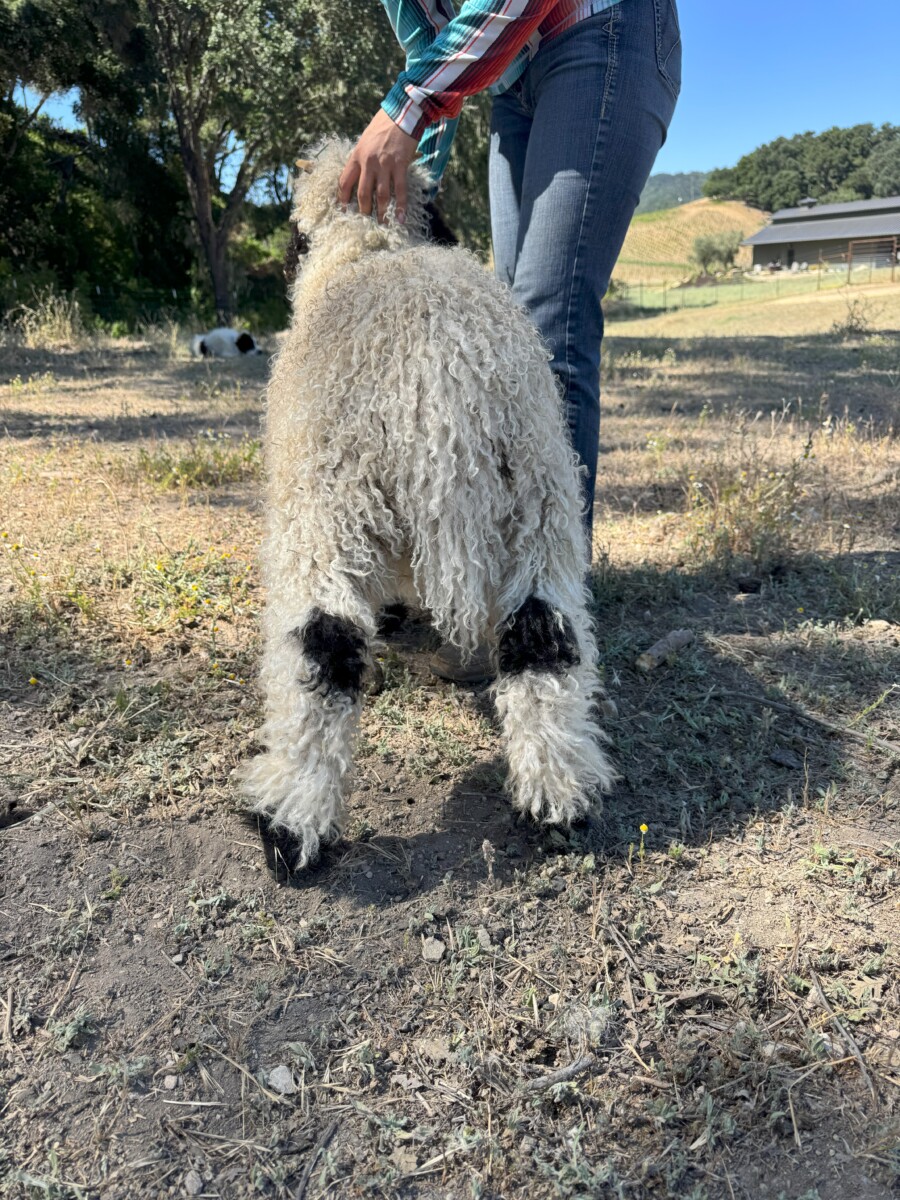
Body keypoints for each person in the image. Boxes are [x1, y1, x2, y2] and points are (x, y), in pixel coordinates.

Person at [338, 0, 681, 680]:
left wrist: (408, 109)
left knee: (549, 327)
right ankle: (498, 585)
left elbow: (429, 85)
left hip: (600, 32)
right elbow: (431, 54)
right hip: (514, 78)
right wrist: (407, 212)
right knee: (510, 342)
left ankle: (540, 612)